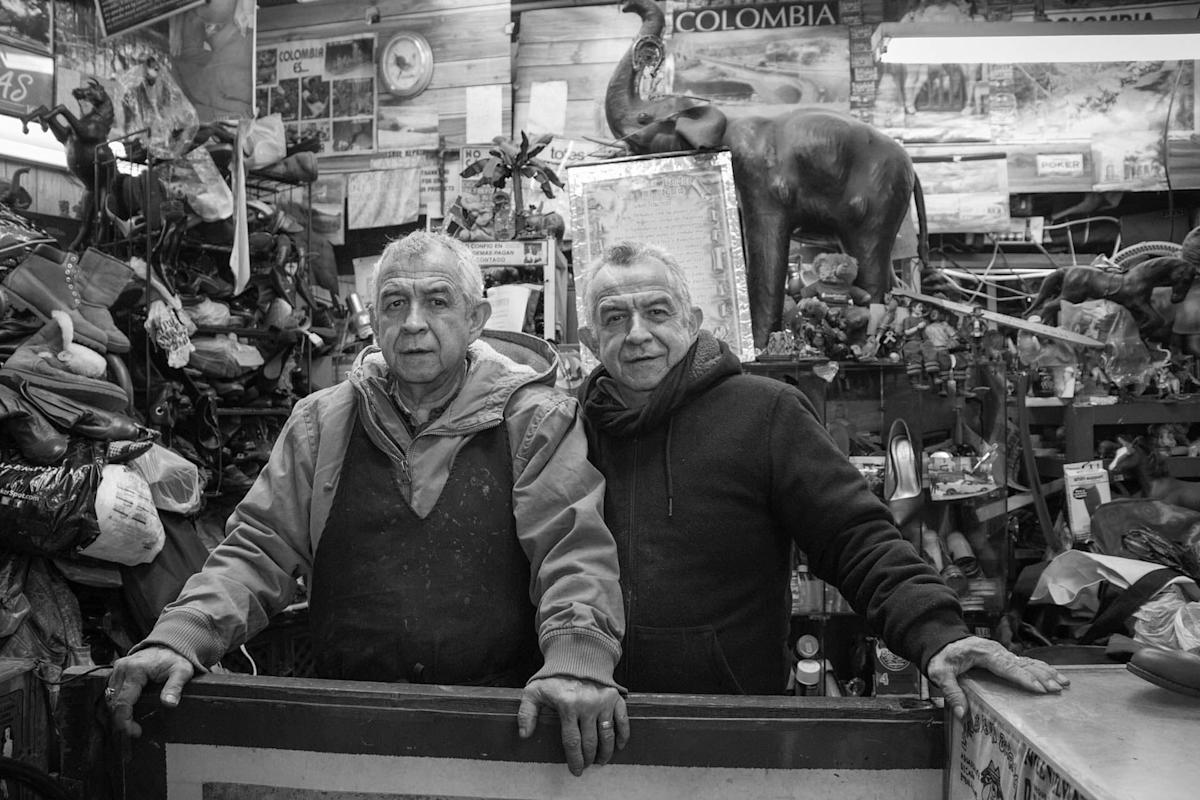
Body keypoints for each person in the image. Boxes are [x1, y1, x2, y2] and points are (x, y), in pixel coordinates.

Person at [106, 231, 629, 776]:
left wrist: (577, 660)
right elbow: (259, 549)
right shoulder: (322, 421)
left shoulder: (535, 420)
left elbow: (573, 550)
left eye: (437, 301)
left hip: (500, 724)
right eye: (395, 304)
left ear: (476, 319)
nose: (413, 323)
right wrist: (183, 634)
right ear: (374, 322)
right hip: (346, 722)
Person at [576, 241, 1068, 717]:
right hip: (594, 713)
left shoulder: (764, 412)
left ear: (694, 321)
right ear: (590, 340)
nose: (637, 333)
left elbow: (854, 536)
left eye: (658, 312)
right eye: (614, 317)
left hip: (734, 718)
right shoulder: (567, 426)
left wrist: (939, 634)